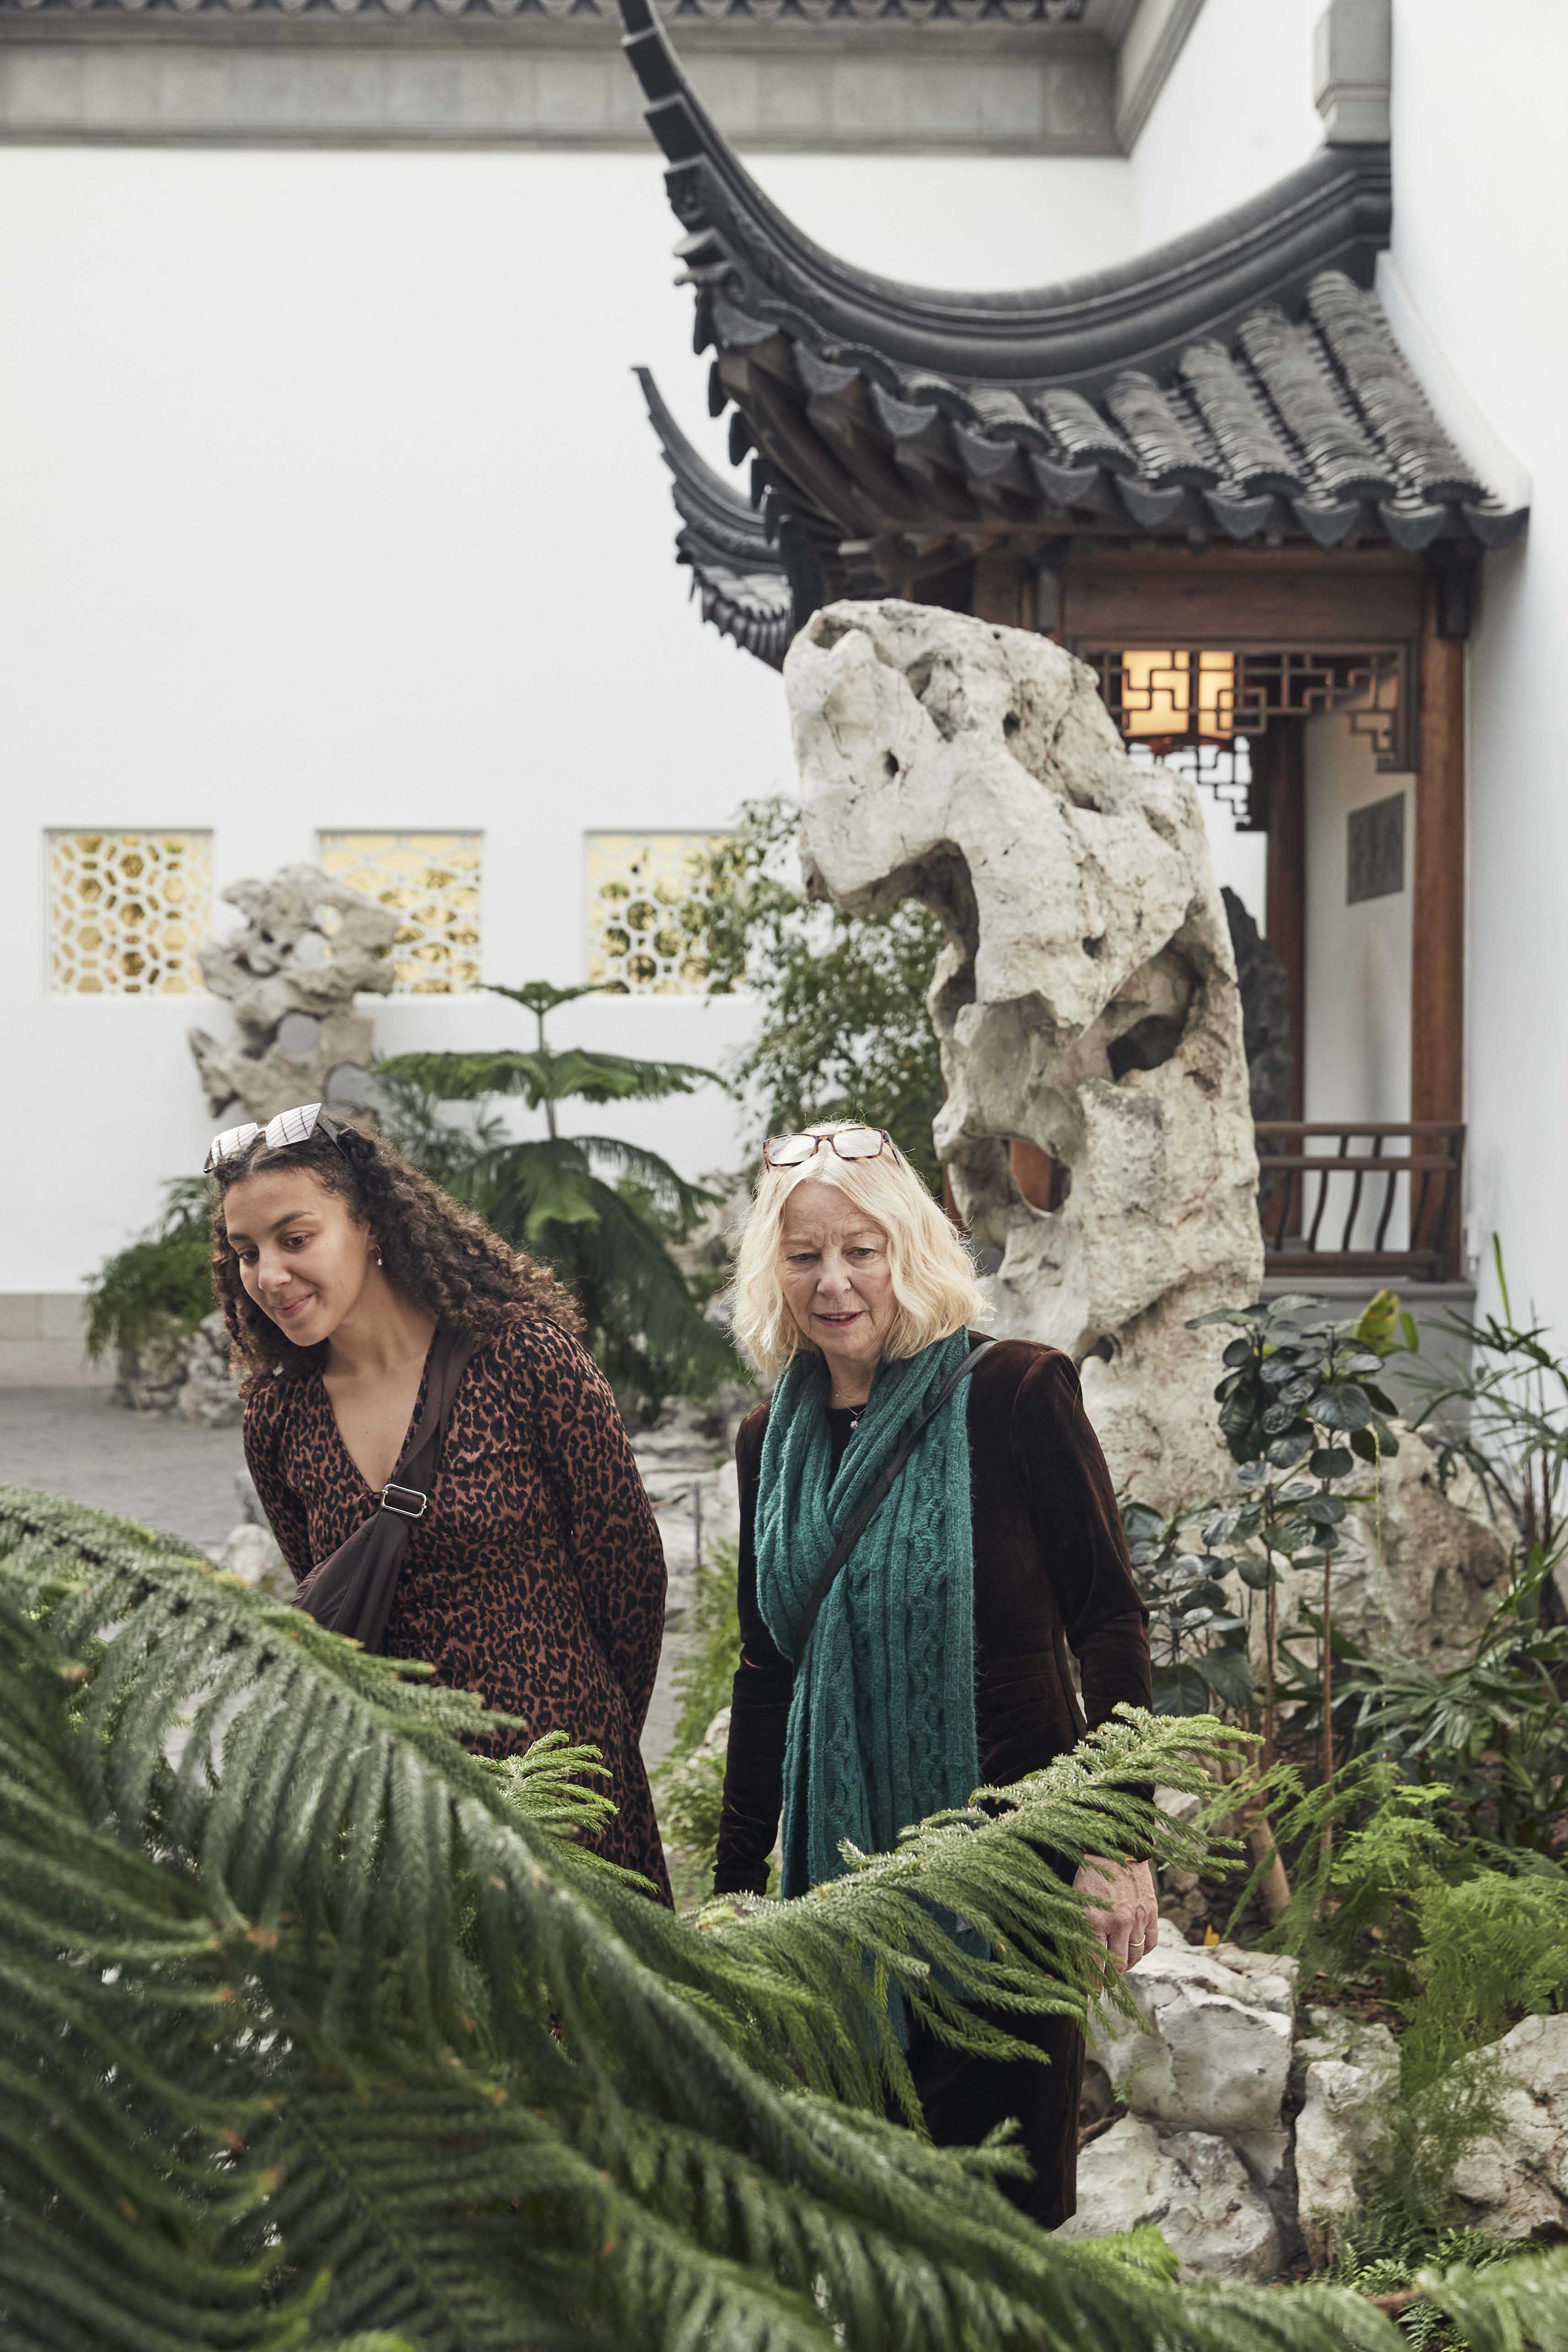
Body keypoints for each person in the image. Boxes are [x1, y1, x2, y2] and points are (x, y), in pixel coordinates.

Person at [716, 1121, 1156, 2226]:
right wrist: (730, 1899)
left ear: (909, 1247)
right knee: (875, 2229)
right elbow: (766, 1672)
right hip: (837, 1900)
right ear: (774, 1269)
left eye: (860, 1248)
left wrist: (1117, 1838)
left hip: (1008, 1879)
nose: (833, 1281)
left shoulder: (1012, 1395)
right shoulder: (767, 1443)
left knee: (1003, 2225)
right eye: (805, 1254)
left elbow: (1107, 1621)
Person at [207, 1102, 670, 1903]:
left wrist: (591, 1749)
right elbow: (338, 1616)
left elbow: (630, 1582)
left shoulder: (525, 1360)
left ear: (372, 1225)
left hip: (567, 1797)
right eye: (246, 1253)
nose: (269, 1276)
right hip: (401, 1817)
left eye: (295, 1238)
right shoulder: (279, 1416)